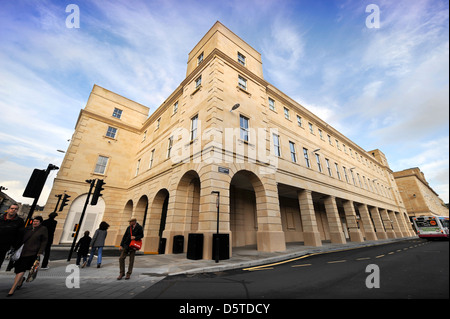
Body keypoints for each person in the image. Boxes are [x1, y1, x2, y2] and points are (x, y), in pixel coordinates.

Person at [7, 216, 48, 297]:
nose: (35, 222)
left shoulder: (43, 229)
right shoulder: (27, 228)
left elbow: (44, 241)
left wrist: (40, 252)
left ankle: (12, 289)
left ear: (40, 222)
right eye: (34, 221)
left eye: (37, 221)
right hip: (21, 252)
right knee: (17, 270)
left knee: (21, 269)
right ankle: (21, 279)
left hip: (32, 253)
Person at [0, 204, 25, 270]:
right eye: (12, 208)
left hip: (5, 246)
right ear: (8, 209)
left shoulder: (19, 221)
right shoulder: (1, 218)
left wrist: (14, 246)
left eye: (16, 209)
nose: (13, 210)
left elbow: (20, 235)